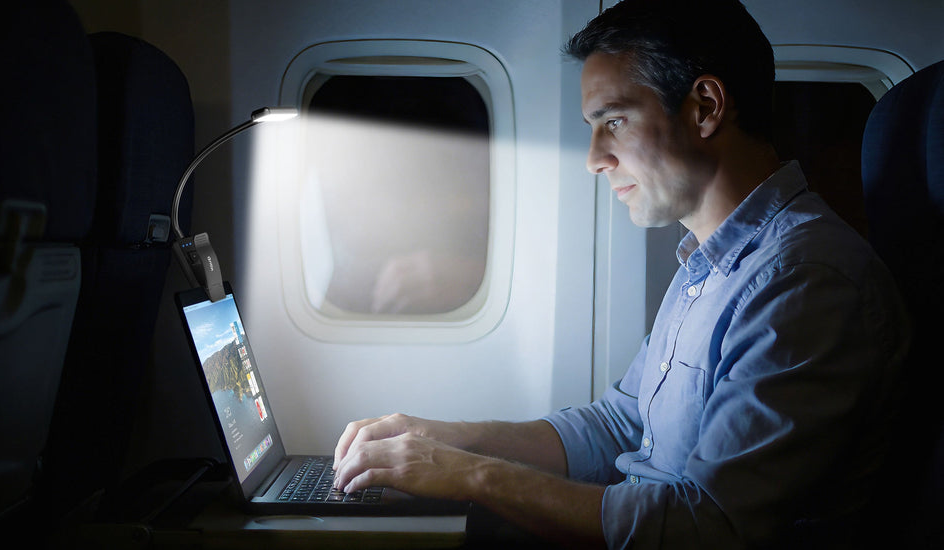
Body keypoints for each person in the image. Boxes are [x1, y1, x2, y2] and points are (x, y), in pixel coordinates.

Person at [330, 0, 909, 548]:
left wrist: (468, 476)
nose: (593, 159)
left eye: (614, 120)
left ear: (705, 106)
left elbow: (708, 528)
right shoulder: (710, 264)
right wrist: (448, 439)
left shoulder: (802, 281)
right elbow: (619, 425)